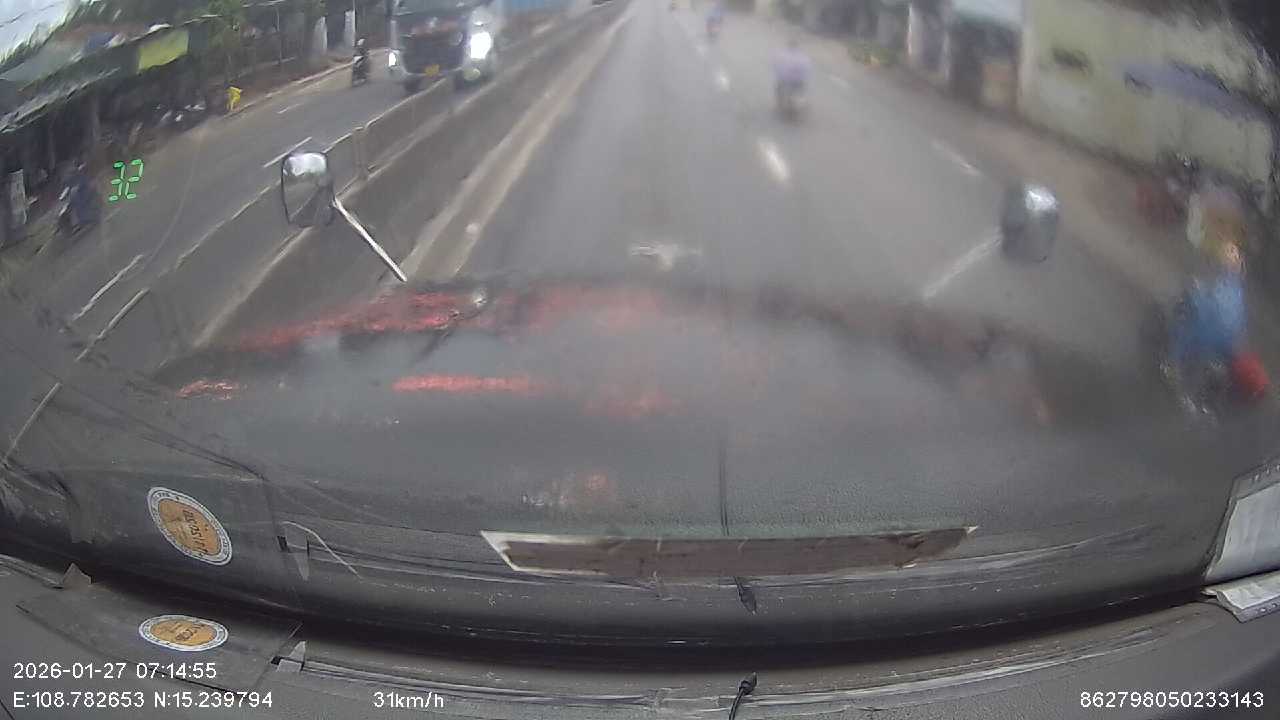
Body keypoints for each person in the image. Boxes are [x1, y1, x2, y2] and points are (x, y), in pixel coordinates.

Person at [1166, 242, 1247, 393]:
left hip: (1209, 334)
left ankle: (1173, 366)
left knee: (1182, 329)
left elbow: (1208, 304)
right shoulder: (1236, 288)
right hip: (1230, 341)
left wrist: (1195, 291)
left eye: (1230, 252)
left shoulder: (1223, 284)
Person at [773, 37, 812, 105]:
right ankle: (801, 98)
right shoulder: (802, 56)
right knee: (801, 87)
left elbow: (776, 65)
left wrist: (779, 74)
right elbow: (807, 68)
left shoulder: (782, 54)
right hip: (797, 80)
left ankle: (780, 100)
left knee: (779, 86)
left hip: (785, 79)